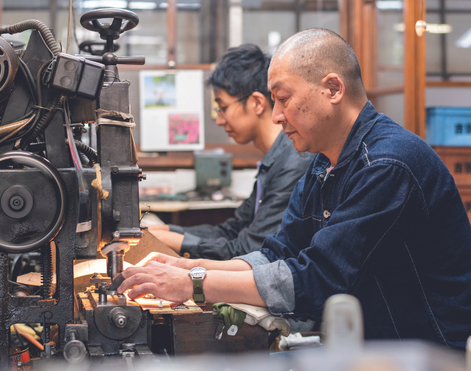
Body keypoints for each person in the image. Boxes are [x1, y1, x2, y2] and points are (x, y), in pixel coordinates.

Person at [120, 29, 471, 350]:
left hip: (427, 355)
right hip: (373, 347)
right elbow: (279, 252)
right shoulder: (324, 162)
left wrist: (196, 284)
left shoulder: (387, 164)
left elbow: (317, 278)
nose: (275, 116)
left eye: (283, 99)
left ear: (333, 89)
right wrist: (193, 267)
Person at [150, 43, 313, 259]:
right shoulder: (274, 159)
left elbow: (251, 249)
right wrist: (163, 231)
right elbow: (232, 230)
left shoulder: (293, 160)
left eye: (223, 107)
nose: (218, 120)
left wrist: (165, 238)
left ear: (256, 103)